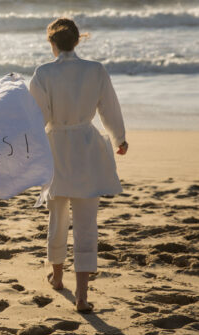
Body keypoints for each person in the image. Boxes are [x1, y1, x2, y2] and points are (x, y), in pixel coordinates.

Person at [29, 18, 128, 313]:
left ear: (52, 43)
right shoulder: (96, 70)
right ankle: (83, 295)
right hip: (87, 146)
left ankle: (58, 277)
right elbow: (110, 107)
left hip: (56, 147)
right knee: (86, 222)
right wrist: (119, 139)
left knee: (57, 215)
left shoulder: (43, 73)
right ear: (78, 41)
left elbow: (40, 118)